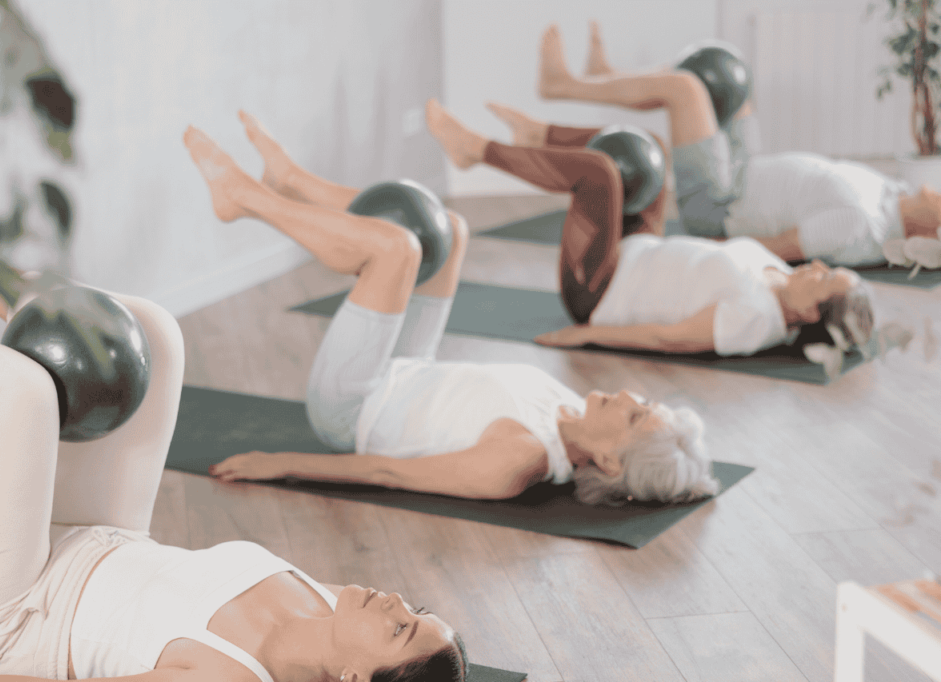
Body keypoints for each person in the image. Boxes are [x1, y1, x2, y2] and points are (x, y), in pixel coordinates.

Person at [0, 246, 466, 682]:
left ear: (351, 678)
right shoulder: (331, 604)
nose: (395, 603)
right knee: (153, 331)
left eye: (399, 629)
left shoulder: (231, 676)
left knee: (15, 393)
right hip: (104, 535)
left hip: (15, 612)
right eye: (414, 610)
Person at [183, 111, 720, 508]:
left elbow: (389, 472)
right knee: (452, 231)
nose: (627, 394)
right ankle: (297, 184)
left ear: (606, 461)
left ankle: (245, 198)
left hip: (353, 407)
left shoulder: (516, 462)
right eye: (642, 400)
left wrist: (279, 466)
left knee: (398, 251)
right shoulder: (568, 409)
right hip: (408, 370)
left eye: (633, 414)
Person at [425, 97, 875, 357]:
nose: (816, 265)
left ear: (813, 313)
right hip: (639, 246)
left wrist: (586, 334)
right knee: (649, 152)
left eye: (825, 277)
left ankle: (474, 150)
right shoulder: (779, 275)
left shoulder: (755, 320)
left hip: (600, 287)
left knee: (600, 174)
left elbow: (670, 338)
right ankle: (539, 137)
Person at [535, 21, 941, 270]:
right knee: (728, 81)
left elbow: (777, 250)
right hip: (750, 167)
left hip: (721, 200)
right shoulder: (894, 194)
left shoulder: (857, 226)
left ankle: (563, 86)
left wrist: (702, 251)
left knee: (685, 88)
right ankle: (609, 76)